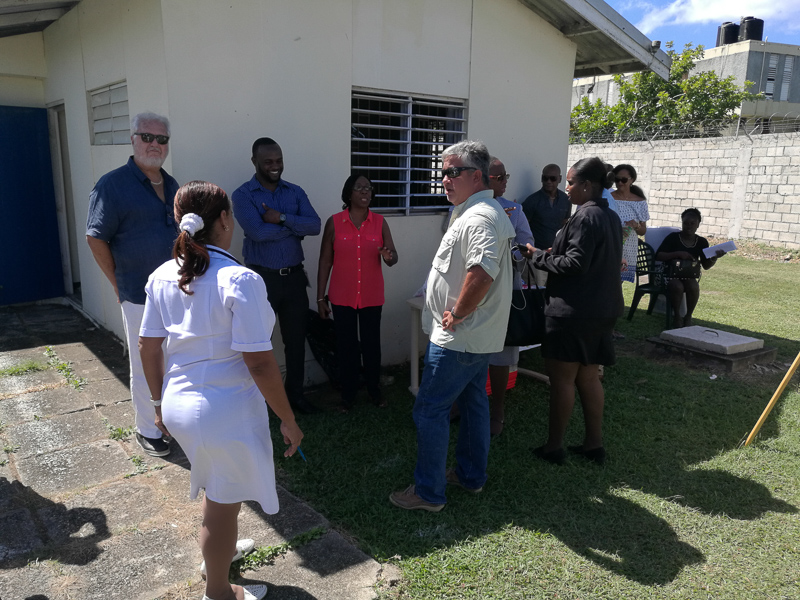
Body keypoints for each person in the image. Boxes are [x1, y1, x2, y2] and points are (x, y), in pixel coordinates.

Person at [139, 181, 303, 600]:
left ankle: (221, 553)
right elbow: (259, 362)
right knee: (221, 502)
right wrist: (287, 418)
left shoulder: (162, 275)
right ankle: (218, 590)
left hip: (179, 404)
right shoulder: (239, 279)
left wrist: (157, 405)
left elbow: (148, 346)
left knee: (218, 488)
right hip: (223, 410)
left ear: (179, 220)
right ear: (226, 220)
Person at [390, 140, 515, 511]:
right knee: (474, 403)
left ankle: (428, 492)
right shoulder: (476, 211)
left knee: (429, 409)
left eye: (451, 172)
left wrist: (458, 313)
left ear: (476, 176)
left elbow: (482, 273)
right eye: (442, 172)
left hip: (459, 337)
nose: (444, 179)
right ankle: (470, 475)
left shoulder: (478, 218)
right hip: (475, 337)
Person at [86, 112, 179, 458]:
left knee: (172, 360)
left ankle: (172, 421)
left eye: (161, 139)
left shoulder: (172, 184)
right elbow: (96, 238)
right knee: (145, 365)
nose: (154, 144)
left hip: (175, 294)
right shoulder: (112, 185)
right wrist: (117, 283)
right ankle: (148, 430)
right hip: (138, 294)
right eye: (147, 137)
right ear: (133, 139)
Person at [523, 157, 623, 466]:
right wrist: (555, 252)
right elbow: (590, 257)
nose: (566, 188)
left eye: (570, 182)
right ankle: (594, 445)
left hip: (573, 311)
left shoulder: (584, 216)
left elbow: (575, 263)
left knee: (563, 380)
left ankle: (554, 447)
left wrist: (538, 257)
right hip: (602, 309)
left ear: (587, 185)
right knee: (589, 377)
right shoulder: (610, 216)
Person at [231, 138, 321, 414]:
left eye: (279, 160)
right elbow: (257, 232)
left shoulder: (294, 192)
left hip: (294, 278)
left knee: (295, 341)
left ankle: (295, 397)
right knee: (259, 342)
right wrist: (294, 228)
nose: (275, 166)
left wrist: (281, 218)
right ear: (254, 162)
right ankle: (259, 401)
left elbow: (315, 225)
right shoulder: (243, 195)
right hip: (261, 280)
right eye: (268, 161)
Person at [316, 174, 398, 411]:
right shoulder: (334, 222)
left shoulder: (380, 222)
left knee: (372, 346)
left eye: (368, 188)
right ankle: (348, 395)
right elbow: (325, 261)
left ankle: (374, 390)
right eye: (359, 187)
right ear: (348, 193)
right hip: (342, 297)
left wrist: (389, 256)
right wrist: (320, 297)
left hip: (371, 296)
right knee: (347, 347)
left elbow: (393, 256)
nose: (365, 192)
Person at [485, 157, 534, 437]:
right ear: (484, 179)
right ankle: (461, 405)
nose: (505, 182)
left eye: (506, 176)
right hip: (473, 290)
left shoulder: (514, 210)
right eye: (500, 177)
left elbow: (526, 244)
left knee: (501, 352)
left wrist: (513, 251)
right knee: (467, 350)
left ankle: (498, 410)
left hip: (505, 288)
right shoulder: (463, 207)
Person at [656, 208, 724, 328]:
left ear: (698, 224)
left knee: (693, 286)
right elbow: (658, 256)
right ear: (682, 223)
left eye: (692, 223)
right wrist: (677, 254)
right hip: (668, 273)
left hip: (687, 274)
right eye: (686, 223)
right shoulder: (673, 237)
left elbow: (706, 265)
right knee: (677, 286)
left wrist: (714, 257)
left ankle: (688, 316)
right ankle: (677, 316)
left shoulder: (701, 242)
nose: (689, 226)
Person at [521, 164, 571, 287]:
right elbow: (523, 228)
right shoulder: (532, 201)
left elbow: (565, 225)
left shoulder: (566, 200)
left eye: (553, 178)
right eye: (545, 178)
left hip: (557, 257)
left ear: (560, 179)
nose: (548, 181)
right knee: (538, 291)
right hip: (537, 256)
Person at [611, 164, 649, 284]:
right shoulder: (609, 199)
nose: (620, 183)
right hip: (611, 244)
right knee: (608, 281)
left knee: (618, 283)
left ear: (632, 180)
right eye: (617, 179)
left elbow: (643, 231)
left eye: (623, 180)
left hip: (628, 247)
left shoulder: (640, 202)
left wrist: (636, 226)